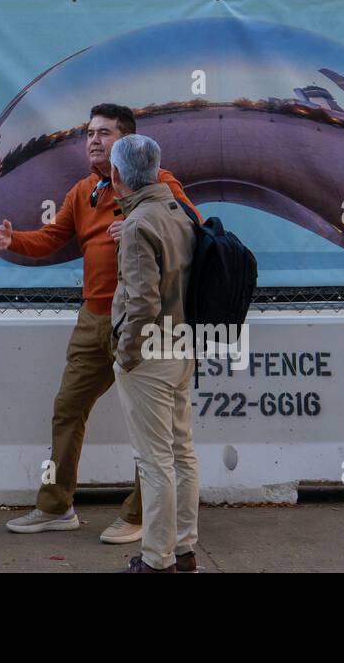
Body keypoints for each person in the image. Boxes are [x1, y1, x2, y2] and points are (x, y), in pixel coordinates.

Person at [0, 104, 198, 543]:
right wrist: (14, 240)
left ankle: (139, 515)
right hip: (94, 319)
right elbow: (50, 238)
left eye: (103, 133)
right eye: (89, 132)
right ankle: (55, 506)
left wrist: (137, 224)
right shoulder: (83, 190)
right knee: (67, 409)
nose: (92, 140)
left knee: (153, 428)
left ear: (124, 142)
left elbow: (191, 229)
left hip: (147, 322)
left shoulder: (159, 187)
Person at [109, 134, 200, 573]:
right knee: (182, 454)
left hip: (149, 355)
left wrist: (125, 354)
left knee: (155, 461)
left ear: (116, 175)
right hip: (181, 346)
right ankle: (182, 552)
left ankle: (155, 560)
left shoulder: (138, 223)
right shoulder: (176, 211)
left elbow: (142, 302)